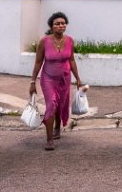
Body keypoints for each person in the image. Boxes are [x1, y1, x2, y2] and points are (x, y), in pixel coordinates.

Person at [29, 12, 82, 150]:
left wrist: (78, 78)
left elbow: (71, 60)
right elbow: (38, 63)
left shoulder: (70, 40)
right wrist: (32, 82)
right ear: (52, 26)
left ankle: (57, 128)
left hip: (64, 78)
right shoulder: (44, 41)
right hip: (48, 79)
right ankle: (49, 139)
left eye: (63, 23)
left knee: (61, 104)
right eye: (57, 23)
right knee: (52, 104)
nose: (61, 25)